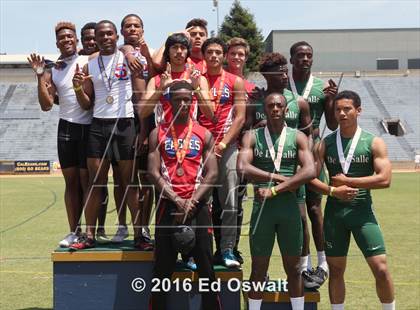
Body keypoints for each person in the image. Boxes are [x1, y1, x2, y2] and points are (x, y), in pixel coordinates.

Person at [309, 90, 395, 310]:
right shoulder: (325, 144)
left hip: (362, 212)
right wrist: (332, 191)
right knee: (336, 271)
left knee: (381, 269)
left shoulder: (373, 142)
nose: (342, 114)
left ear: (358, 110)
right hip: (335, 215)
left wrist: (350, 182)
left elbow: (385, 179)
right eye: (337, 109)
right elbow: (310, 179)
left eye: (347, 109)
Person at [69, 20, 146, 250]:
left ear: (116, 36)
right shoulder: (89, 65)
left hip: (124, 125)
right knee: (95, 183)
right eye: (101, 34)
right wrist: (77, 88)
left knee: (130, 182)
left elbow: (141, 96)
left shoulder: (131, 59)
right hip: (98, 127)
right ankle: (89, 236)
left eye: (109, 34)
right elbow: (86, 104)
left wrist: (142, 130)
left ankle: (140, 235)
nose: (105, 38)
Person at [237, 92, 316, 310]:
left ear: (286, 109)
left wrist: (276, 189)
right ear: (264, 109)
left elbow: (310, 170)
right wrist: (279, 177)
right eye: (270, 105)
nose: (275, 109)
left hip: (289, 207)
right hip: (263, 210)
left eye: (279, 106)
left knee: (294, 268)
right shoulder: (252, 136)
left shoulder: (298, 136)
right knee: (259, 268)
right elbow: (242, 167)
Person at [147, 80, 221, 310]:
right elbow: (152, 172)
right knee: (162, 272)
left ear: (193, 102)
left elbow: (213, 173)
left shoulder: (204, 134)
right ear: (169, 102)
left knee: (207, 270)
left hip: (198, 208)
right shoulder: (157, 133)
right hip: (167, 208)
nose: (183, 103)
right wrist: (177, 200)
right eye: (177, 99)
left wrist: (193, 201)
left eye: (187, 99)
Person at [246, 52, 313, 281]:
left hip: (294, 172)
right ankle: (261, 274)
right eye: (280, 71)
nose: (285, 74)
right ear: (267, 75)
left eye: (286, 70)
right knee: (262, 225)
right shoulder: (255, 100)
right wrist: (259, 124)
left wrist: (305, 165)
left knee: (302, 220)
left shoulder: (298, 102)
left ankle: (304, 270)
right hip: (264, 172)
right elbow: (247, 132)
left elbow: (308, 135)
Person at [28, 21, 92, 247]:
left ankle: (91, 232)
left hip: (88, 127)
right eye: (62, 38)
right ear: (57, 43)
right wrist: (39, 76)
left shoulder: (87, 61)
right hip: (66, 129)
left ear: (76, 40)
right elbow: (46, 105)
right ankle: (74, 231)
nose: (66, 40)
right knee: (71, 183)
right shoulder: (54, 69)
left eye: (70, 37)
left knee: (87, 182)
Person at [288, 41, 338, 286]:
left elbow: (333, 123)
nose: (305, 59)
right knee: (298, 214)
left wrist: (331, 101)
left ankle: (323, 262)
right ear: (291, 60)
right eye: (300, 55)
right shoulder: (283, 85)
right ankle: (304, 266)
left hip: (314, 150)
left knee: (315, 208)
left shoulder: (321, 87)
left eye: (309, 55)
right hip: (288, 153)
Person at [199, 37, 246, 268]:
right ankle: (200, 249)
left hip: (227, 147)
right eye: (210, 52)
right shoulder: (196, 80)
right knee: (201, 201)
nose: (215, 56)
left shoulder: (234, 81)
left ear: (224, 55)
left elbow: (240, 117)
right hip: (200, 148)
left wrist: (224, 144)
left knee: (229, 200)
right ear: (204, 55)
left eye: (219, 52)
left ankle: (227, 249)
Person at [225, 37, 256, 264]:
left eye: (241, 54)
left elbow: (252, 121)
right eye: (233, 53)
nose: (237, 57)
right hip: (218, 148)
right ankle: (214, 247)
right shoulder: (216, 81)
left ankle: (232, 247)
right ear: (227, 56)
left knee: (236, 201)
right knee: (215, 203)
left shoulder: (252, 88)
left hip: (240, 150)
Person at [139, 32, 213, 125]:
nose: (179, 51)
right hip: (164, 135)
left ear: (187, 52)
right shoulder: (156, 80)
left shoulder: (198, 79)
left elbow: (210, 115)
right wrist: (161, 88)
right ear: (168, 52)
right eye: (175, 47)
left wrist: (196, 89)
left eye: (183, 48)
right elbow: (142, 113)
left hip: (190, 134)